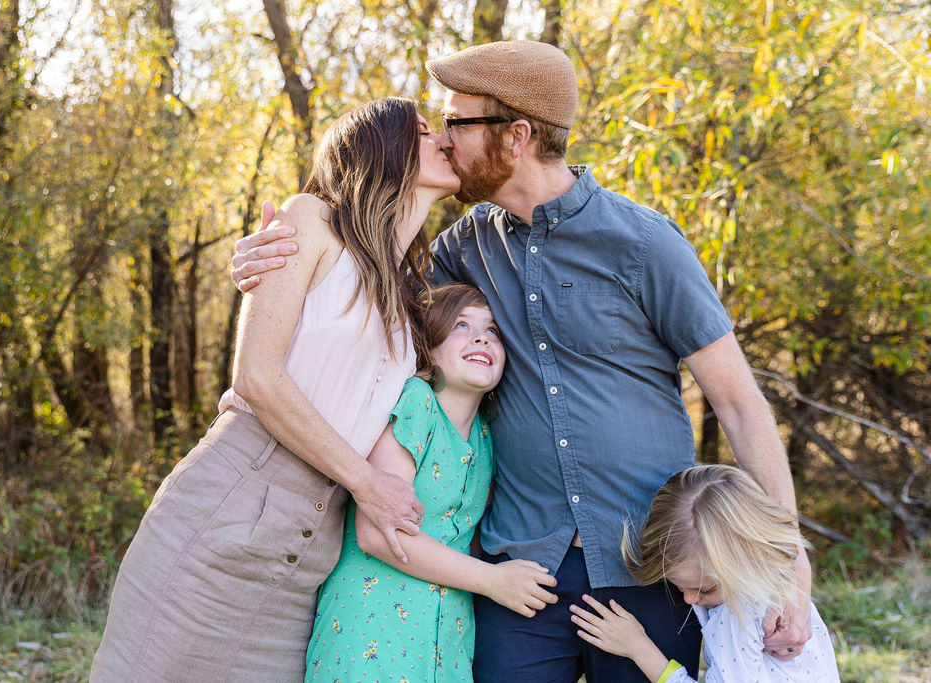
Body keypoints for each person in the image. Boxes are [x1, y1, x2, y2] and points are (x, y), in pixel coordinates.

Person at [229, 41, 812, 681]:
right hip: (520, 569)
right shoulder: (459, 251)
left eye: (457, 122)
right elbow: (360, 307)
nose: (443, 139)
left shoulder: (646, 244)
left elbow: (740, 405)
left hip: (652, 564)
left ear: (516, 136)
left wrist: (789, 567)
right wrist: (277, 262)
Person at [90, 97, 460, 682]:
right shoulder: (311, 220)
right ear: (381, 146)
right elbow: (257, 377)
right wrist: (369, 484)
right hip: (230, 509)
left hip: (309, 553)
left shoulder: (408, 290)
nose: (443, 138)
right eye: (421, 131)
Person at [307, 283, 557, 681]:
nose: (481, 337)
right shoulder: (417, 403)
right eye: (461, 325)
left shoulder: (486, 437)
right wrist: (493, 580)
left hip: (446, 645)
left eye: (493, 331)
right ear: (430, 346)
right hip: (372, 635)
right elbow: (377, 533)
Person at [570, 465, 839, 682]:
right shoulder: (777, 587)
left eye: (705, 589)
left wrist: (639, 648)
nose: (689, 599)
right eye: (678, 586)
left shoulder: (738, 614)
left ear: (746, 564)